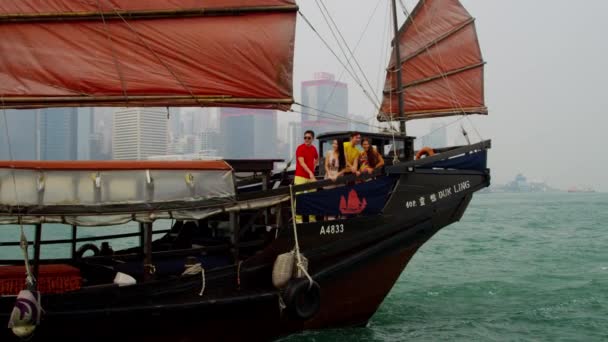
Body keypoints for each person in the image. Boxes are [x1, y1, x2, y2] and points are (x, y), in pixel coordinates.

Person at [294, 130, 318, 223]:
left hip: (310, 177)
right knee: (299, 198)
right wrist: (311, 172)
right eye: (305, 137)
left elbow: (317, 158)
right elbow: (302, 163)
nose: (306, 139)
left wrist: (314, 168)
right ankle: (298, 220)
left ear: (312, 139)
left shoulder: (314, 149)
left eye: (309, 138)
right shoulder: (300, 148)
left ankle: (312, 219)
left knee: (313, 196)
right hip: (300, 176)